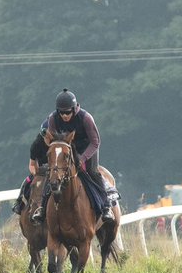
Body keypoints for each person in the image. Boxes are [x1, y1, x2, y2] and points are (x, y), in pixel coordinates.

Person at [28, 88, 117, 224]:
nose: (64, 116)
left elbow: (95, 142)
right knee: (51, 173)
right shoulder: (53, 118)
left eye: (67, 112)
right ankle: (42, 207)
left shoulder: (86, 118)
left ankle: (106, 207)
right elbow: (52, 141)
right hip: (65, 149)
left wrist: (82, 159)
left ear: (74, 109)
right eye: (61, 112)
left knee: (92, 172)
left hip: (87, 149)